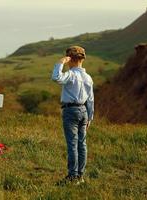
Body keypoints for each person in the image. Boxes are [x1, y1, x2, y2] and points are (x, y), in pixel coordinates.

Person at [51, 46, 94, 185]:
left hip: (71, 110)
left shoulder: (71, 74)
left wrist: (60, 63)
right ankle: (80, 176)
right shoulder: (88, 78)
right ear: (83, 59)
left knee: (72, 144)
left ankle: (72, 176)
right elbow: (91, 99)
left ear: (70, 59)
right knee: (82, 145)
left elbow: (56, 77)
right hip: (84, 111)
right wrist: (90, 117)